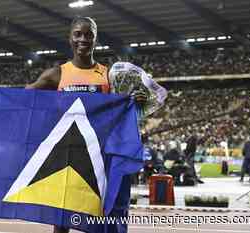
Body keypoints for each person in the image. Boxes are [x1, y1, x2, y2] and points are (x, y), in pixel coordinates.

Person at [26, 16, 164, 233]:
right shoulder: (56, 74)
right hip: (66, 156)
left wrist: (135, 102)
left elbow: (120, 113)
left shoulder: (109, 76)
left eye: (88, 34)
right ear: (70, 38)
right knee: (61, 221)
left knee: (98, 217)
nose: (83, 39)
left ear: (95, 39)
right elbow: (22, 98)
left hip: (98, 157)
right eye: (78, 34)